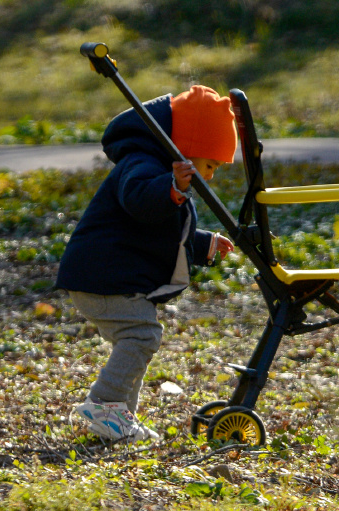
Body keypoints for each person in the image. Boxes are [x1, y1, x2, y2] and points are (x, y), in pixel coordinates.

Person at [56, 85, 237, 442]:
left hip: (106, 277)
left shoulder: (165, 179)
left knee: (137, 338)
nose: (211, 176)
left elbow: (161, 231)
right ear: (187, 149)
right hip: (102, 277)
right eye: (210, 164)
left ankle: (118, 420)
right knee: (142, 335)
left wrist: (203, 244)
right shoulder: (143, 165)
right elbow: (139, 200)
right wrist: (170, 187)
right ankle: (103, 403)